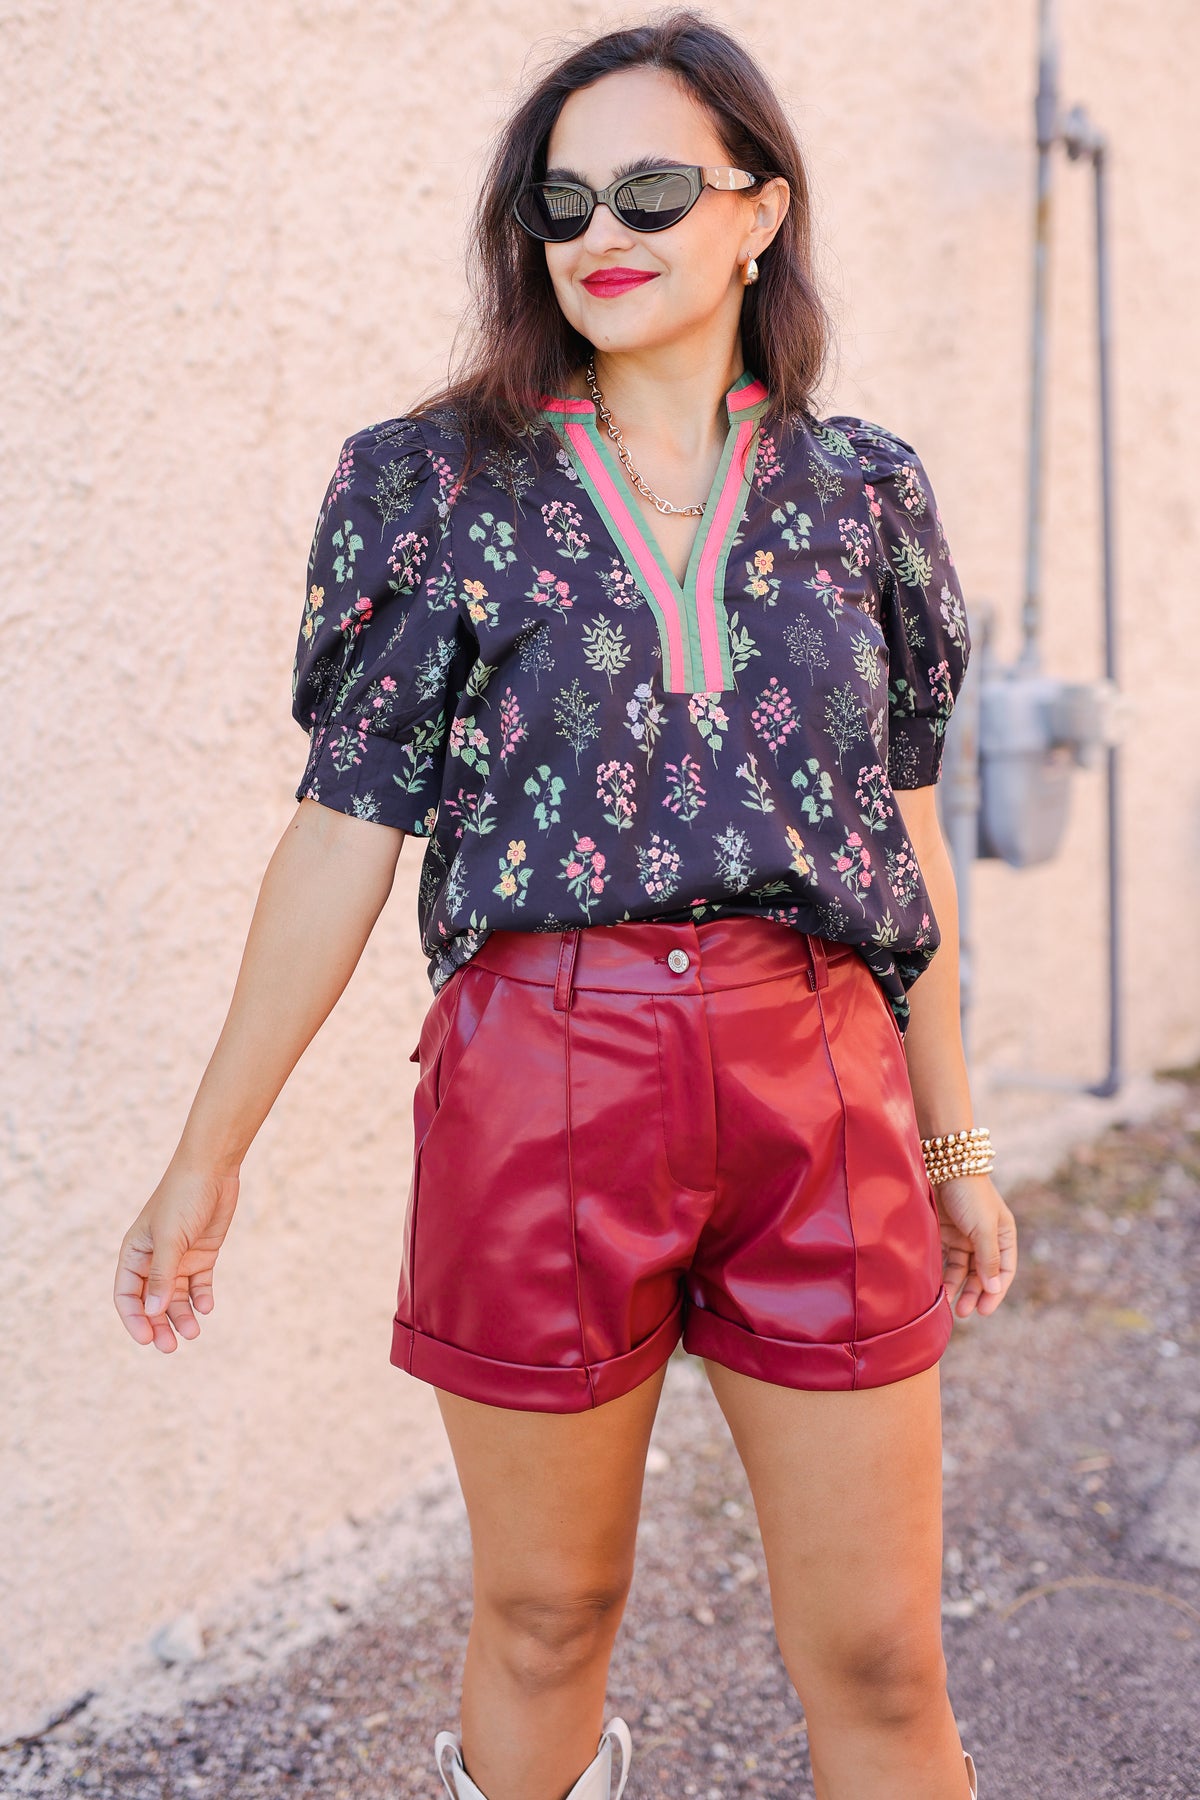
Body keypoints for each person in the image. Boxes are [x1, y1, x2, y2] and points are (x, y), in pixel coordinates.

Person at [114, 12, 1018, 1799]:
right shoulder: (429, 483)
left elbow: (900, 844)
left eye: (659, 187)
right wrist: (207, 1151)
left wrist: (957, 1140)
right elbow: (339, 833)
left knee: (883, 1657)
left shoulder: (867, 496)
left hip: (820, 1075)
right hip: (543, 1077)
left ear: (762, 210)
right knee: (545, 1615)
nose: (604, 227)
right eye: (565, 197)